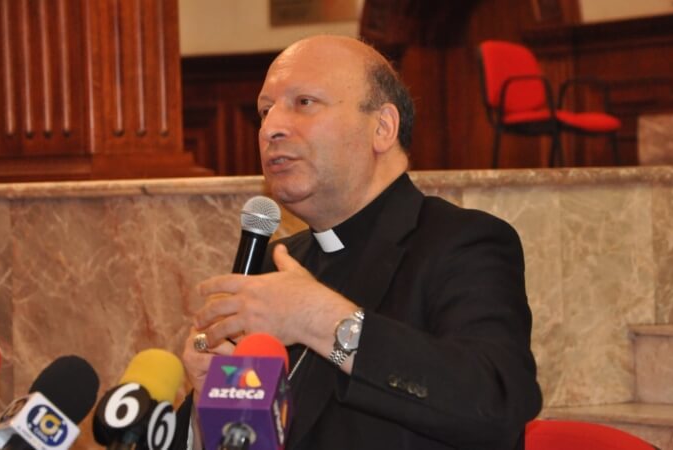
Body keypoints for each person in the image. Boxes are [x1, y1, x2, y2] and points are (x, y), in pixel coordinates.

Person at [178, 35, 541, 450]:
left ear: (382, 128)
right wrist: (205, 410)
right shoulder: (275, 265)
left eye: (304, 102)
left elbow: (496, 405)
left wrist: (321, 319)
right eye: (265, 110)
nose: (271, 128)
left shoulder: (463, 243)